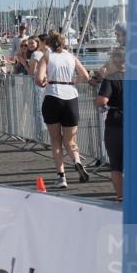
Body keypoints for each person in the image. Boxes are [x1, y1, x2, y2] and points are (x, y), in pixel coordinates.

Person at [35, 32, 92, 188]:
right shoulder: (71, 57)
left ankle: (61, 176)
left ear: (49, 43)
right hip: (70, 97)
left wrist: (43, 82)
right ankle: (77, 161)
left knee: (56, 140)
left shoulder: (47, 56)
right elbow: (85, 76)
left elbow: (39, 79)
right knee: (70, 140)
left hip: (53, 95)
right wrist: (74, 81)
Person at [95, 49, 124, 202]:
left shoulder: (111, 79)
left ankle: (121, 196)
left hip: (116, 122)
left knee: (116, 164)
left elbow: (102, 101)